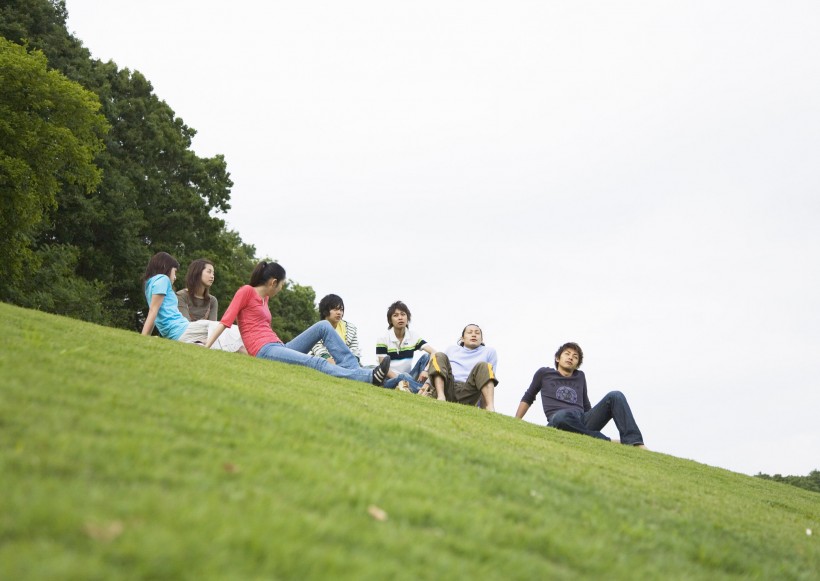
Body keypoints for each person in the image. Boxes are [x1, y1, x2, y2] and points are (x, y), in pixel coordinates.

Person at [205, 261, 391, 385]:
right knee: (315, 361)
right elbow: (225, 321)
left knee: (323, 326)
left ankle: (354, 369)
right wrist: (206, 348)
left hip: (277, 346)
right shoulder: (246, 291)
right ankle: (368, 377)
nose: (280, 289)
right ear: (273, 282)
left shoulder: (265, 300)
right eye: (281, 285)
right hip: (265, 351)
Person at [515, 342, 646, 447]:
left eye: (575, 356)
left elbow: (586, 404)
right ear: (557, 358)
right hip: (560, 420)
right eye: (567, 354)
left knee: (616, 395)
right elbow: (529, 397)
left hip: (582, 421)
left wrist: (594, 418)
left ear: (577, 364)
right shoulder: (544, 373)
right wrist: (516, 421)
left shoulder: (580, 376)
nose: (571, 357)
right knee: (561, 416)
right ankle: (607, 440)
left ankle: (635, 442)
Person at [177, 258, 247, 354]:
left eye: (213, 273)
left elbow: (213, 327)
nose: (212, 276)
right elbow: (185, 325)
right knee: (231, 334)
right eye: (209, 272)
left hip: (207, 338)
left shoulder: (212, 301)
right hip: (187, 334)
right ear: (197, 273)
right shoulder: (181, 296)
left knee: (235, 338)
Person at [424, 324, 499, 411]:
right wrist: (427, 385)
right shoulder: (452, 349)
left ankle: (490, 408)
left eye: (477, 333)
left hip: (469, 390)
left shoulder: (489, 352)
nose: (474, 335)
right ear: (462, 338)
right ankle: (441, 397)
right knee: (439, 355)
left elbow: (488, 378)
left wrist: (483, 408)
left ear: (481, 339)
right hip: (448, 386)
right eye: (469, 332)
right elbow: (438, 366)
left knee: (484, 365)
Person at [141, 251, 211, 343]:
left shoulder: (150, 285)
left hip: (177, 333)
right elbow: (153, 311)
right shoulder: (163, 279)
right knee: (223, 329)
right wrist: (143, 338)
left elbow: (154, 313)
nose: (175, 277)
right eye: (175, 271)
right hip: (181, 328)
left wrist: (146, 337)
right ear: (166, 267)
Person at [375, 300, 437, 392]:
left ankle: (408, 387)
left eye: (403, 314)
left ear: (407, 318)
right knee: (404, 376)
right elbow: (384, 369)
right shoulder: (383, 339)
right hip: (389, 379)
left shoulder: (413, 336)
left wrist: (426, 370)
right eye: (395, 315)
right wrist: (402, 379)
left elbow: (434, 352)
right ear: (390, 320)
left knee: (426, 357)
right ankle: (422, 390)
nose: (400, 318)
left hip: (409, 377)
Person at [309, 294, 361, 364]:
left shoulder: (351, 328)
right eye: (335, 309)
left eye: (341, 309)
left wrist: (351, 363)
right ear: (325, 310)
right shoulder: (318, 328)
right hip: (323, 363)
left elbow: (355, 350)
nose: (339, 313)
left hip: (347, 364)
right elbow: (317, 348)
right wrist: (329, 360)